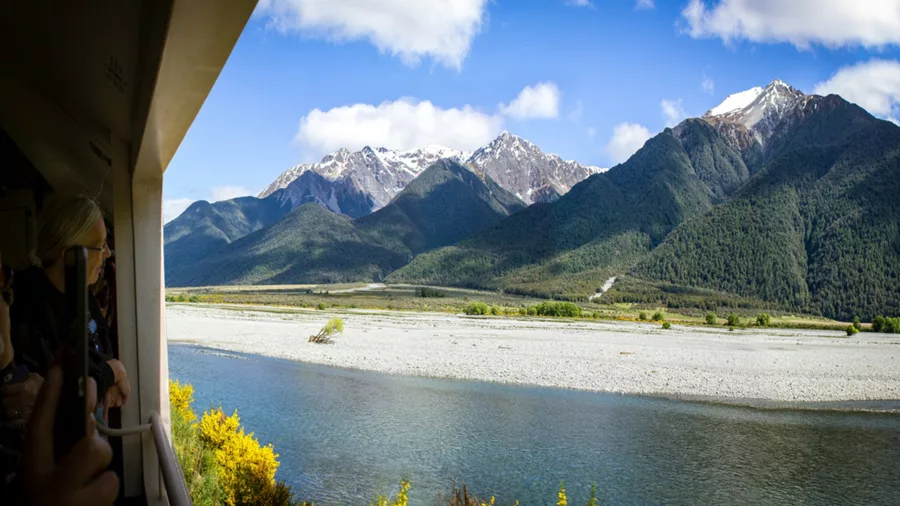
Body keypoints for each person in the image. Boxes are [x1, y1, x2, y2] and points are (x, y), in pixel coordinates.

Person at [6, 196, 130, 426]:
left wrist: (107, 374)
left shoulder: (81, 294)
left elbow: (101, 351)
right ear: (70, 255)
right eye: (100, 246)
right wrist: (112, 372)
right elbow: (56, 388)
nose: (108, 254)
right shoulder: (25, 306)